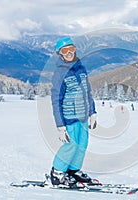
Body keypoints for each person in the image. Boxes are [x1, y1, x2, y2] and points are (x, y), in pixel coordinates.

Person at [50, 37, 97, 187]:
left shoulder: (81, 68)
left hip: (83, 116)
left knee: (82, 144)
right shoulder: (60, 73)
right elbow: (56, 99)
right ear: (60, 54)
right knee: (71, 145)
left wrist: (92, 112)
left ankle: (73, 171)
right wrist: (60, 125)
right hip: (69, 117)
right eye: (65, 50)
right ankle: (57, 172)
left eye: (71, 49)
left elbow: (87, 92)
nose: (69, 53)